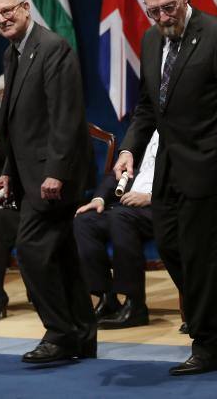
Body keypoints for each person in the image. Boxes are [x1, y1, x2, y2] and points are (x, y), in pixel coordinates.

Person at [113, 0, 217, 376]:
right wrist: (129, 150)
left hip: (211, 165)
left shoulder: (216, 35)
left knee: (198, 257)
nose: (162, 16)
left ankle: (208, 341)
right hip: (167, 168)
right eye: (153, 10)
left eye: (168, 6)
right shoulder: (149, 39)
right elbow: (147, 108)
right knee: (170, 248)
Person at [0, 0, 96, 364]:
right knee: (61, 254)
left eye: (8, 10)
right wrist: (7, 171)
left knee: (32, 250)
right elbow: (19, 124)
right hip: (29, 173)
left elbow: (65, 117)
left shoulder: (52, 47)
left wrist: (57, 172)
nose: (2, 19)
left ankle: (59, 333)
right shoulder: (13, 53)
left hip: (53, 177)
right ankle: (81, 334)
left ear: (26, 8)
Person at [73, 131, 160, 329]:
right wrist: (98, 199)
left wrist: (150, 196)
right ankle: (106, 298)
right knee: (85, 220)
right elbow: (123, 173)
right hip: (132, 205)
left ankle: (135, 305)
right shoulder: (149, 131)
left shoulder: (188, 130)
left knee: (119, 216)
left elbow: (193, 178)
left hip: (165, 206)